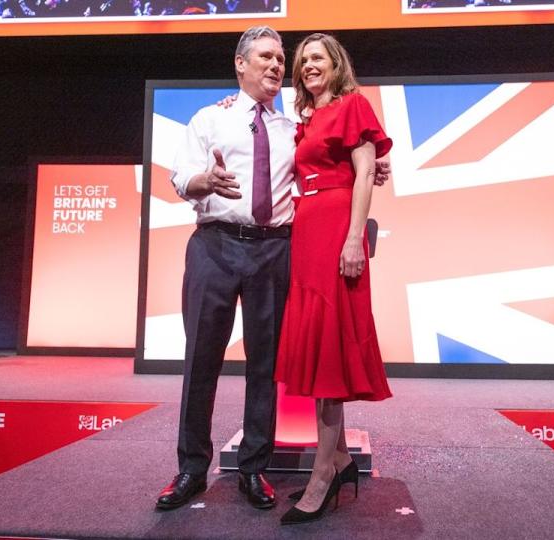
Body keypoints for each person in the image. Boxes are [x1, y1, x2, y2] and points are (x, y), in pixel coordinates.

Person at [156, 26, 391, 512]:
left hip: (274, 251)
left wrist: (368, 169)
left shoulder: (292, 127)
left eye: (280, 59)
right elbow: (180, 178)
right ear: (240, 64)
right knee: (202, 361)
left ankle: (254, 469)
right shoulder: (209, 118)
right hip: (214, 247)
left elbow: (335, 165)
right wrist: (205, 180)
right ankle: (191, 470)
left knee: (266, 366)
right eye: (265, 57)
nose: (276, 66)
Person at [273, 33, 393, 525]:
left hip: (336, 230)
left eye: (317, 59)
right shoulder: (306, 120)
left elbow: (365, 174)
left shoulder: (352, 105)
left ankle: (323, 474)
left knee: (331, 351)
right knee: (319, 345)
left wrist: (351, 241)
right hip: (307, 231)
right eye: (302, 62)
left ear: (336, 63)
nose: (307, 67)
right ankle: (338, 458)